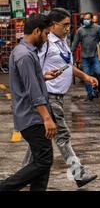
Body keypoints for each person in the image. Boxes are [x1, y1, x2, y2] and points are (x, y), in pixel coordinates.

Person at [22, 8, 98, 188]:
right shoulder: (45, 43)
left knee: (41, 139)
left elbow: (67, 66)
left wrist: (85, 77)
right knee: (62, 135)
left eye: (68, 25)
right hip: (48, 97)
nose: (67, 29)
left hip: (59, 97)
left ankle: (24, 173)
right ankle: (78, 173)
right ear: (53, 25)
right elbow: (33, 69)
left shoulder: (63, 42)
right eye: (64, 25)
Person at [0, 14, 59, 191]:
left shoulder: (21, 51)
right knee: (44, 161)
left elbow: (27, 81)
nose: (46, 38)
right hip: (32, 117)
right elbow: (33, 91)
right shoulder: (25, 55)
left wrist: (43, 77)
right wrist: (46, 118)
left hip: (31, 116)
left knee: (42, 164)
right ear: (36, 31)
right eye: (46, 34)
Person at [71, 12, 100, 101]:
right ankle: (90, 95)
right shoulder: (80, 30)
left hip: (96, 55)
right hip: (85, 56)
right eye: (85, 19)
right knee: (86, 76)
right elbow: (75, 42)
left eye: (88, 19)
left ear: (92, 19)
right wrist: (71, 52)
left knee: (98, 72)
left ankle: (97, 88)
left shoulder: (98, 29)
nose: (86, 20)